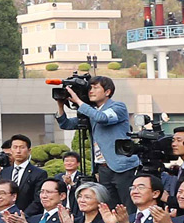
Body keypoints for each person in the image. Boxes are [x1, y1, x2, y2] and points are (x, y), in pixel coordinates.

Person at [54, 75, 135, 207]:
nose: (90, 91)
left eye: (95, 88)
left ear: (107, 92)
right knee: (108, 207)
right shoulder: (92, 112)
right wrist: (60, 105)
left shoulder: (118, 107)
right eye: (89, 88)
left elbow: (102, 118)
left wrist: (79, 102)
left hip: (121, 167)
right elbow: (66, 124)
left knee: (128, 206)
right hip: (102, 168)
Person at [0, 135, 50, 215]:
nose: (18, 151)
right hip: (4, 217)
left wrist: (22, 216)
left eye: (22, 147)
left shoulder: (39, 173)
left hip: (28, 217)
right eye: (15, 147)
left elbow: (38, 200)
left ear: (29, 151)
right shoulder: (5, 172)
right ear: (11, 150)